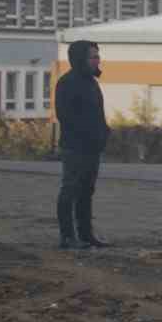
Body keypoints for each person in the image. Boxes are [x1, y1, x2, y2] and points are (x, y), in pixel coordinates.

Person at [55, 39, 110, 250]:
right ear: (80, 59)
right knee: (70, 189)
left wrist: (104, 133)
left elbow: (97, 114)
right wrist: (87, 136)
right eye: (93, 56)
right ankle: (67, 237)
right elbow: (66, 117)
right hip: (75, 147)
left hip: (92, 148)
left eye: (98, 55)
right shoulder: (67, 83)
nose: (98, 60)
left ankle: (86, 235)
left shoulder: (91, 82)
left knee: (87, 191)